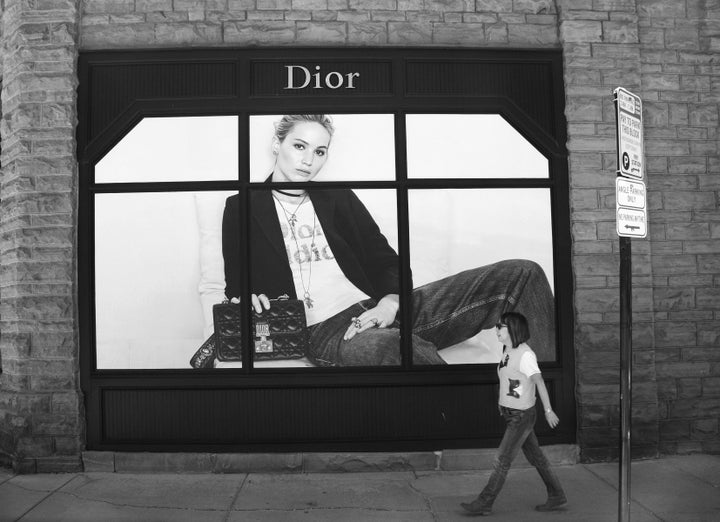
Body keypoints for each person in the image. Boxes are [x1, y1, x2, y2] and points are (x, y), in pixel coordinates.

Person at [222, 114, 557, 366]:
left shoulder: (337, 198)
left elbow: (386, 261)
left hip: (385, 307)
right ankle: (475, 417)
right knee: (397, 348)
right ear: (276, 145)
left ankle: (539, 397)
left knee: (522, 273)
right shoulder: (242, 207)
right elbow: (237, 288)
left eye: (320, 151)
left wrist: (390, 303)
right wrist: (248, 299)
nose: (309, 160)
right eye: (299, 146)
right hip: (327, 330)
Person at [460, 312, 566, 516]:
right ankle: (557, 495)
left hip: (521, 417)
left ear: (513, 329)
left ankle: (485, 502)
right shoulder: (508, 350)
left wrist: (548, 410)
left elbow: (539, 382)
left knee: (502, 459)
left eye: (501, 326)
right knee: (538, 458)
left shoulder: (526, 355)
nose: (496, 329)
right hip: (512, 414)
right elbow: (513, 381)